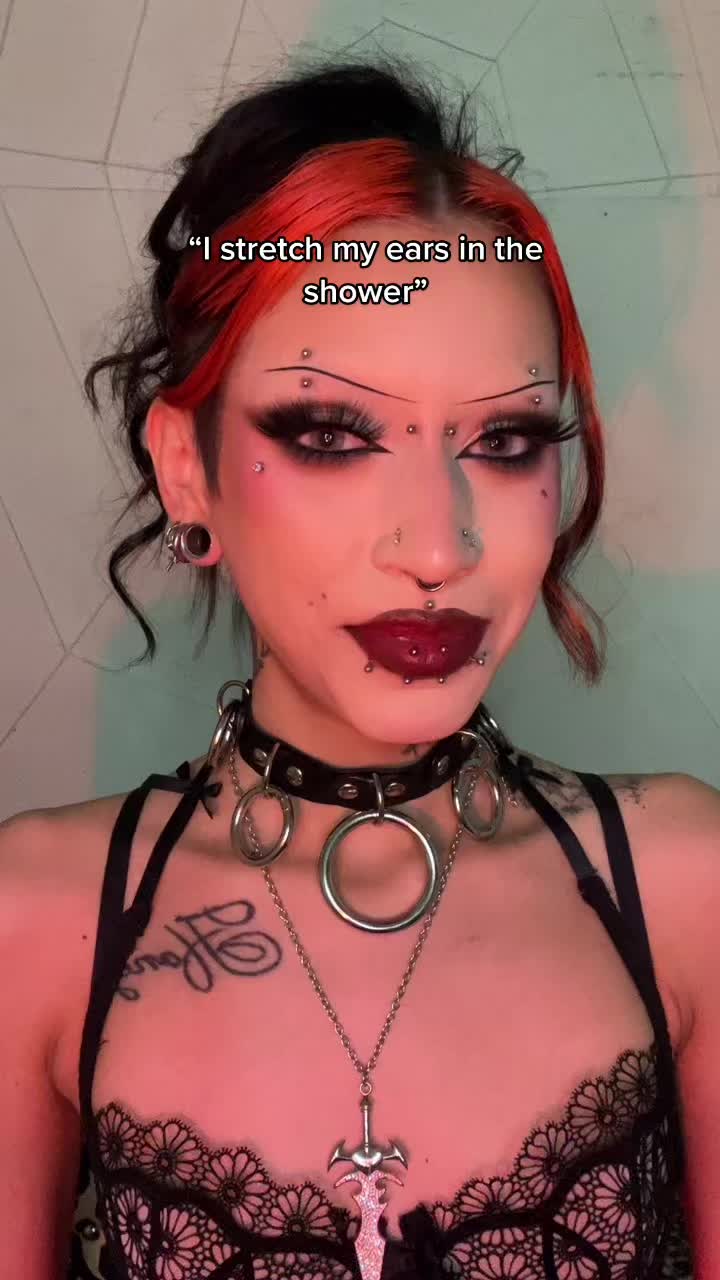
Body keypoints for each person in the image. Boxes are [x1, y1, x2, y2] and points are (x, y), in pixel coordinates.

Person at [1, 59, 712, 1280]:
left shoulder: (690, 888)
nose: (438, 547)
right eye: (331, 433)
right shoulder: (35, 920)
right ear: (187, 468)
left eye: (505, 438)